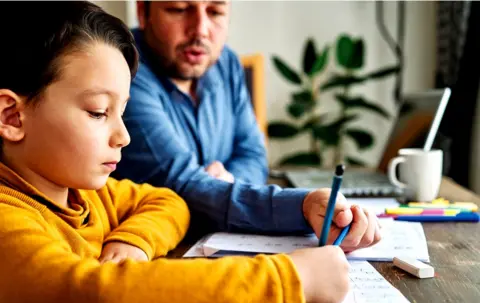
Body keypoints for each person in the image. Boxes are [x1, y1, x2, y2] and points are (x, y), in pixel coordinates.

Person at [0, 2, 380, 303]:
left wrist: (134, 238)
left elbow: (168, 200)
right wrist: (289, 280)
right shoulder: (9, 221)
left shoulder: (84, 194)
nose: (124, 136)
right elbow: (96, 299)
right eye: (99, 112)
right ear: (12, 117)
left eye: (122, 111)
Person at [113, 1, 382, 238]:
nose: (201, 29)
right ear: (142, 12)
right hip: (145, 247)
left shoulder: (226, 63)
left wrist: (225, 183)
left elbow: (253, 154)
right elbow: (182, 184)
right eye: (179, 9)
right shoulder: (122, 70)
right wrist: (303, 207)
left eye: (215, 11)